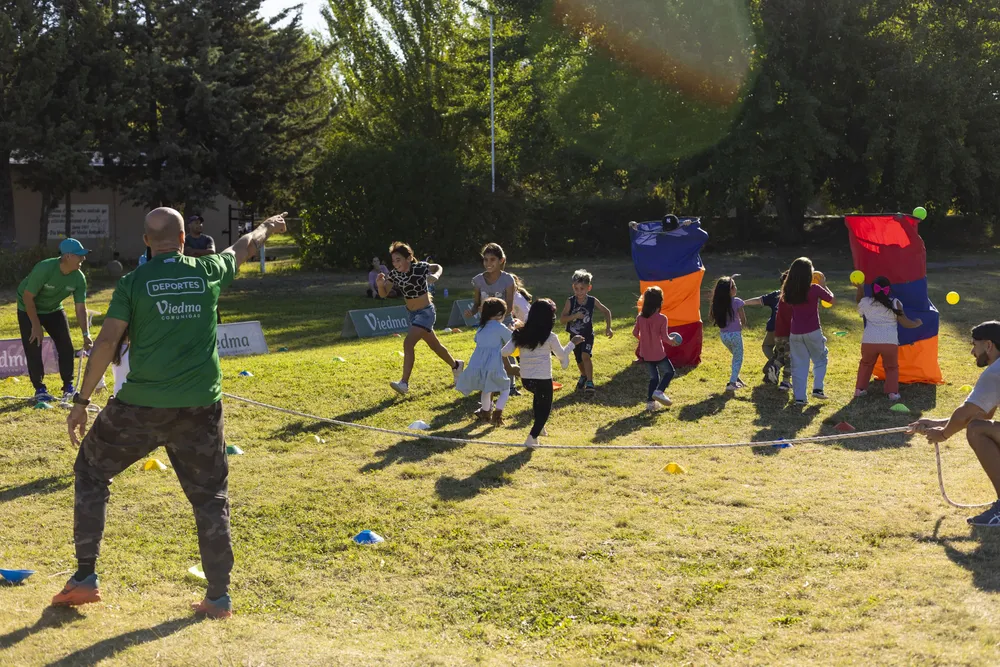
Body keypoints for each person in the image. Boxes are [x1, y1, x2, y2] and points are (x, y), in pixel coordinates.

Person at [54, 207, 289, 619]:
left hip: (140, 407)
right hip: (200, 408)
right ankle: (218, 597)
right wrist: (268, 226)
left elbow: (107, 341)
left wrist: (80, 401)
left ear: (147, 241)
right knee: (210, 498)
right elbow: (245, 246)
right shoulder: (209, 269)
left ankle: (86, 578)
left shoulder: (133, 282)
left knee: (91, 471)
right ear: (184, 240)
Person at [910, 322, 1000, 526]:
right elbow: (981, 415)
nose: (972, 351)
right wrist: (937, 423)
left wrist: (942, 435)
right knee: (978, 427)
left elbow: (967, 415)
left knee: (976, 431)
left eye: (974, 345)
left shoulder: (995, 372)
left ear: (988, 345)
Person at [377, 242, 463, 395]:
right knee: (435, 345)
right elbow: (383, 294)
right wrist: (379, 285)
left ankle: (404, 383)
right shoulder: (395, 274)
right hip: (412, 314)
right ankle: (456, 365)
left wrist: (434, 276)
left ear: (409, 258)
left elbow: (438, 267)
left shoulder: (420, 267)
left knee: (408, 343)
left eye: (399, 260)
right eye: (394, 261)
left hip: (426, 313)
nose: (396, 264)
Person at [16, 238, 94, 402]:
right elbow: (28, 297)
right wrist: (36, 325)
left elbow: (81, 308)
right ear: (67, 256)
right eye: (79, 256)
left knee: (66, 345)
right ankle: (40, 389)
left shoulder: (79, 278)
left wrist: (86, 333)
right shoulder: (45, 268)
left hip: (53, 309)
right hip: (28, 306)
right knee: (34, 345)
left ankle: (68, 387)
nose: (83, 259)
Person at [502, 299, 583, 447]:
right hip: (543, 379)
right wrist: (573, 343)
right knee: (545, 407)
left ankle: (540, 428)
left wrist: (514, 337)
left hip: (526, 380)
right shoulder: (551, 337)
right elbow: (561, 355)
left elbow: (505, 351)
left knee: (538, 399)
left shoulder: (520, 333)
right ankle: (532, 437)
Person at [854, 277, 923, 401]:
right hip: (889, 342)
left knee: (865, 364)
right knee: (891, 367)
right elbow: (905, 322)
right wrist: (916, 323)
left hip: (869, 341)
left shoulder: (866, 302)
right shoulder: (895, 302)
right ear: (889, 290)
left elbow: (859, 302)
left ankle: (860, 389)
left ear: (873, 290)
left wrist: (860, 289)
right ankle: (892, 393)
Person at [781, 257, 835, 405]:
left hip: (796, 333)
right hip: (813, 331)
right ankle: (818, 388)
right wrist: (824, 285)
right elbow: (831, 299)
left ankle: (800, 398)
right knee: (820, 358)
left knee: (799, 365)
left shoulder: (789, 290)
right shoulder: (815, 289)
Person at [456, 298, 515, 426]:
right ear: (499, 314)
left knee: (486, 389)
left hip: (477, 364)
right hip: (494, 364)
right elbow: (512, 340)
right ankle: (497, 415)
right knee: (505, 388)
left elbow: (477, 340)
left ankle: (486, 413)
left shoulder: (481, 327)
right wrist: (512, 328)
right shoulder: (500, 327)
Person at [559, 269, 613, 396]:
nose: (579, 292)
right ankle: (583, 375)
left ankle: (590, 382)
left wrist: (608, 327)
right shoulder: (570, 301)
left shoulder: (592, 300)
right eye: (576, 288)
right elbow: (562, 319)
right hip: (574, 337)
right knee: (579, 360)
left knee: (585, 355)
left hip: (587, 335)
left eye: (582, 288)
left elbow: (607, 312)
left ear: (589, 288)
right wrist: (575, 316)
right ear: (573, 287)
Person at [632, 286, 679, 411]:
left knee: (654, 378)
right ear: (660, 302)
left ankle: (650, 403)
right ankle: (659, 391)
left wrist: (643, 339)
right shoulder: (662, 318)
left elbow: (635, 333)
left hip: (646, 354)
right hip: (658, 353)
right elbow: (665, 337)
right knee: (670, 372)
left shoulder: (640, 318)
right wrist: (672, 341)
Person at [744, 272, 789, 385]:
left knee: (769, 347)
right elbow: (760, 300)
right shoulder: (796, 297)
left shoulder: (777, 295)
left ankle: (773, 366)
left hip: (775, 328)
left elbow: (759, 300)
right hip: (785, 330)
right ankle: (774, 365)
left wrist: (743, 303)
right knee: (780, 352)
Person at [710, 276, 747, 392]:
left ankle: (736, 378)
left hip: (724, 336)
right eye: (734, 286)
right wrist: (742, 325)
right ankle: (732, 383)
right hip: (735, 335)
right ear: (730, 290)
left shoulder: (718, 304)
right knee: (738, 358)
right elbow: (743, 319)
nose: (736, 288)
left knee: (736, 357)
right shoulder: (737, 302)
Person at [464, 243, 515, 319]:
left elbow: (509, 307)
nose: (488, 263)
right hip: (485, 323)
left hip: (505, 323)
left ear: (501, 260)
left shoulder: (508, 279)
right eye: (486, 260)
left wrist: (495, 318)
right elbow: (476, 304)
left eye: (492, 259)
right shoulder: (478, 280)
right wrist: (471, 312)